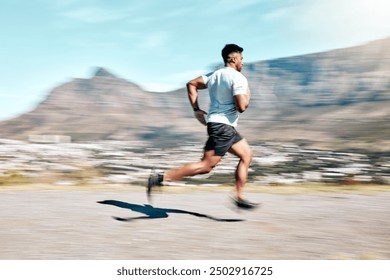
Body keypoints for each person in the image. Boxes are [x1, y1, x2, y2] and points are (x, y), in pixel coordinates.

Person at [147, 44, 258, 209]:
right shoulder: (238, 78)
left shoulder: (214, 75)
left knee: (247, 155)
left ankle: (239, 197)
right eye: (241, 59)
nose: (242, 62)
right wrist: (248, 95)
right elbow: (242, 107)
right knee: (205, 166)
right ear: (234, 59)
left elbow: (191, 84)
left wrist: (196, 109)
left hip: (220, 125)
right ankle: (161, 178)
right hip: (223, 127)